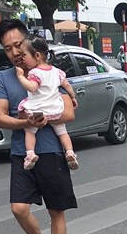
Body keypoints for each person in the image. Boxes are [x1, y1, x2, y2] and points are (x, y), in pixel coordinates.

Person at [0, 18, 77, 234]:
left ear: (29, 42)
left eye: (18, 45)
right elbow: (0, 118)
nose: (15, 52)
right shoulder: (4, 78)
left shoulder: (50, 71)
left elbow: (68, 112)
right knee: (18, 208)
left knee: (56, 210)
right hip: (22, 152)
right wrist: (26, 123)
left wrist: (45, 115)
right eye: (8, 49)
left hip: (52, 150)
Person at [15, 35, 80, 171]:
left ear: (37, 55)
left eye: (25, 55)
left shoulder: (35, 73)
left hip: (38, 110)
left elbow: (32, 87)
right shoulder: (56, 72)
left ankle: (30, 154)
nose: (23, 58)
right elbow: (67, 85)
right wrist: (73, 97)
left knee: (30, 131)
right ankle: (69, 152)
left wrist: (21, 77)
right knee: (62, 132)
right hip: (56, 109)